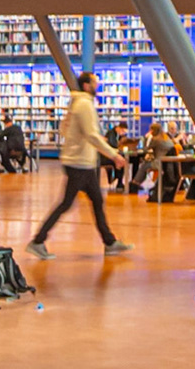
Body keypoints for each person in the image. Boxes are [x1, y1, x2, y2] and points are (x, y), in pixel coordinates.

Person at [28, 72, 130, 260]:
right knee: (66, 204)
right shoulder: (84, 104)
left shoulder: (76, 103)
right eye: (94, 83)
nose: (97, 86)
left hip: (82, 161)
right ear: (86, 85)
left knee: (97, 201)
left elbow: (66, 129)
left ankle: (109, 242)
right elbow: (91, 134)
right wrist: (114, 155)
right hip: (79, 163)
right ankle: (37, 241)